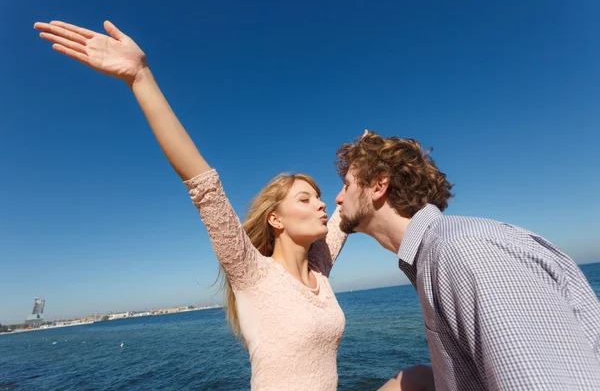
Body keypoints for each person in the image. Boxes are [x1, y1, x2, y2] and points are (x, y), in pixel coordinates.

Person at [33, 20, 434, 390]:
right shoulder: (250, 272)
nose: (323, 205)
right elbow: (201, 181)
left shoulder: (319, 265)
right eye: (305, 198)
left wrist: (368, 160)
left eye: (321, 197)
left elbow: (352, 211)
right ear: (275, 219)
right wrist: (140, 77)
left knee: (421, 378)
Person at [334, 131, 600, 390]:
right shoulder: (438, 252)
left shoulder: (460, 252)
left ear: (379, 186)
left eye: (347, 185)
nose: (339, 198)